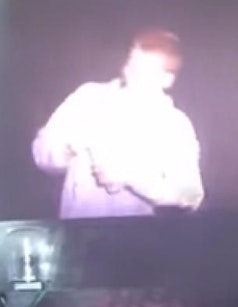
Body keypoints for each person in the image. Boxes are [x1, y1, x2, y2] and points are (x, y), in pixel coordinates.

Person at [32, 29, 205, 219]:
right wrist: (65, 150)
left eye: (145, 71)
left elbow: (190, 197)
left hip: (132, 235)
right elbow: (40, 155)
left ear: (167, 79)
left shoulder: (175, 125)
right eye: (132, 65)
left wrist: (132, 178)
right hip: (74, 232)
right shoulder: (87, 98)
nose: (131, 75)